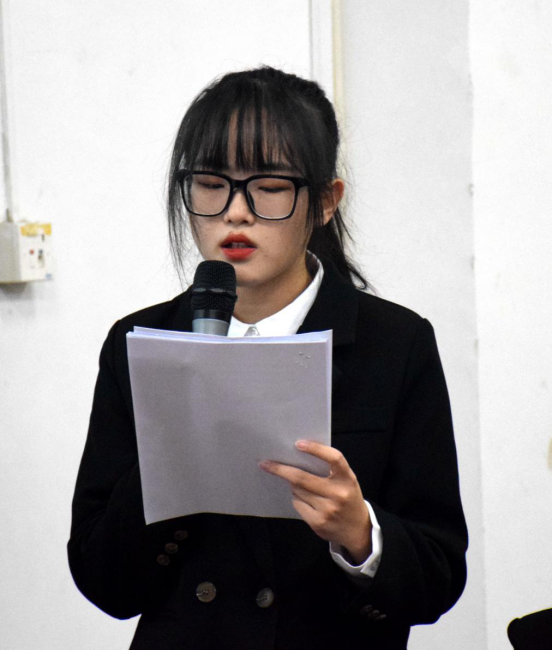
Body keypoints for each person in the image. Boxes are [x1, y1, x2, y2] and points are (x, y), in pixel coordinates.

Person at [68, 66, 468, 649]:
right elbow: (101, 579)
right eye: (211, 183)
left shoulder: (396, 343)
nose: (236, 211)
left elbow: (439, 576)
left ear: (325, 201)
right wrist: (166, 468)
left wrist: (360, 534)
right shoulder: (140, 341)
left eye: (270, 186)